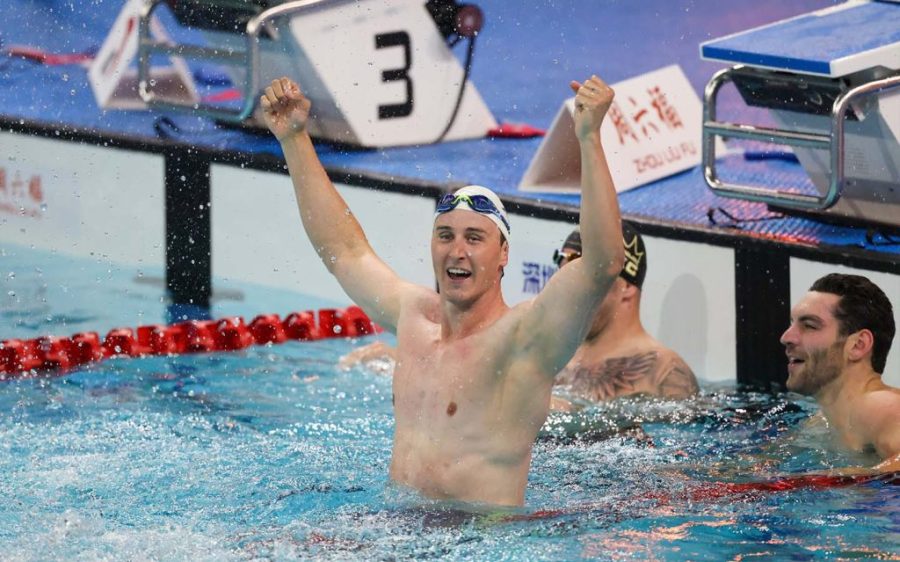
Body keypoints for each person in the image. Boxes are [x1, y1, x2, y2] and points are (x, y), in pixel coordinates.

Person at [261, 75, 624, 507]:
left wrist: (588, 138)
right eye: (445, 235)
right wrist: (294, 139)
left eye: (475, 238)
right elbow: (343, 250)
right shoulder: (414, 316)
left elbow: (601, 264)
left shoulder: (524, 340)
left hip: (479, 540)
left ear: (503, 254)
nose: (457, 251)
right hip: (397, 528)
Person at [342, 223, 700, 410]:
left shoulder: (665, 371)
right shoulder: (552, 345)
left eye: (585, 277)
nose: (570, 287)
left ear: (626, 287)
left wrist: (560, 412)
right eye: (564, 271)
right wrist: (403, 358)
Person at [780, 273, 898, 472]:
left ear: (858, 345)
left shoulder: (883, 406)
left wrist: (856, 478)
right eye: (792, 323)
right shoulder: (817, 425)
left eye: (809, 326)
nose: (786, 337)